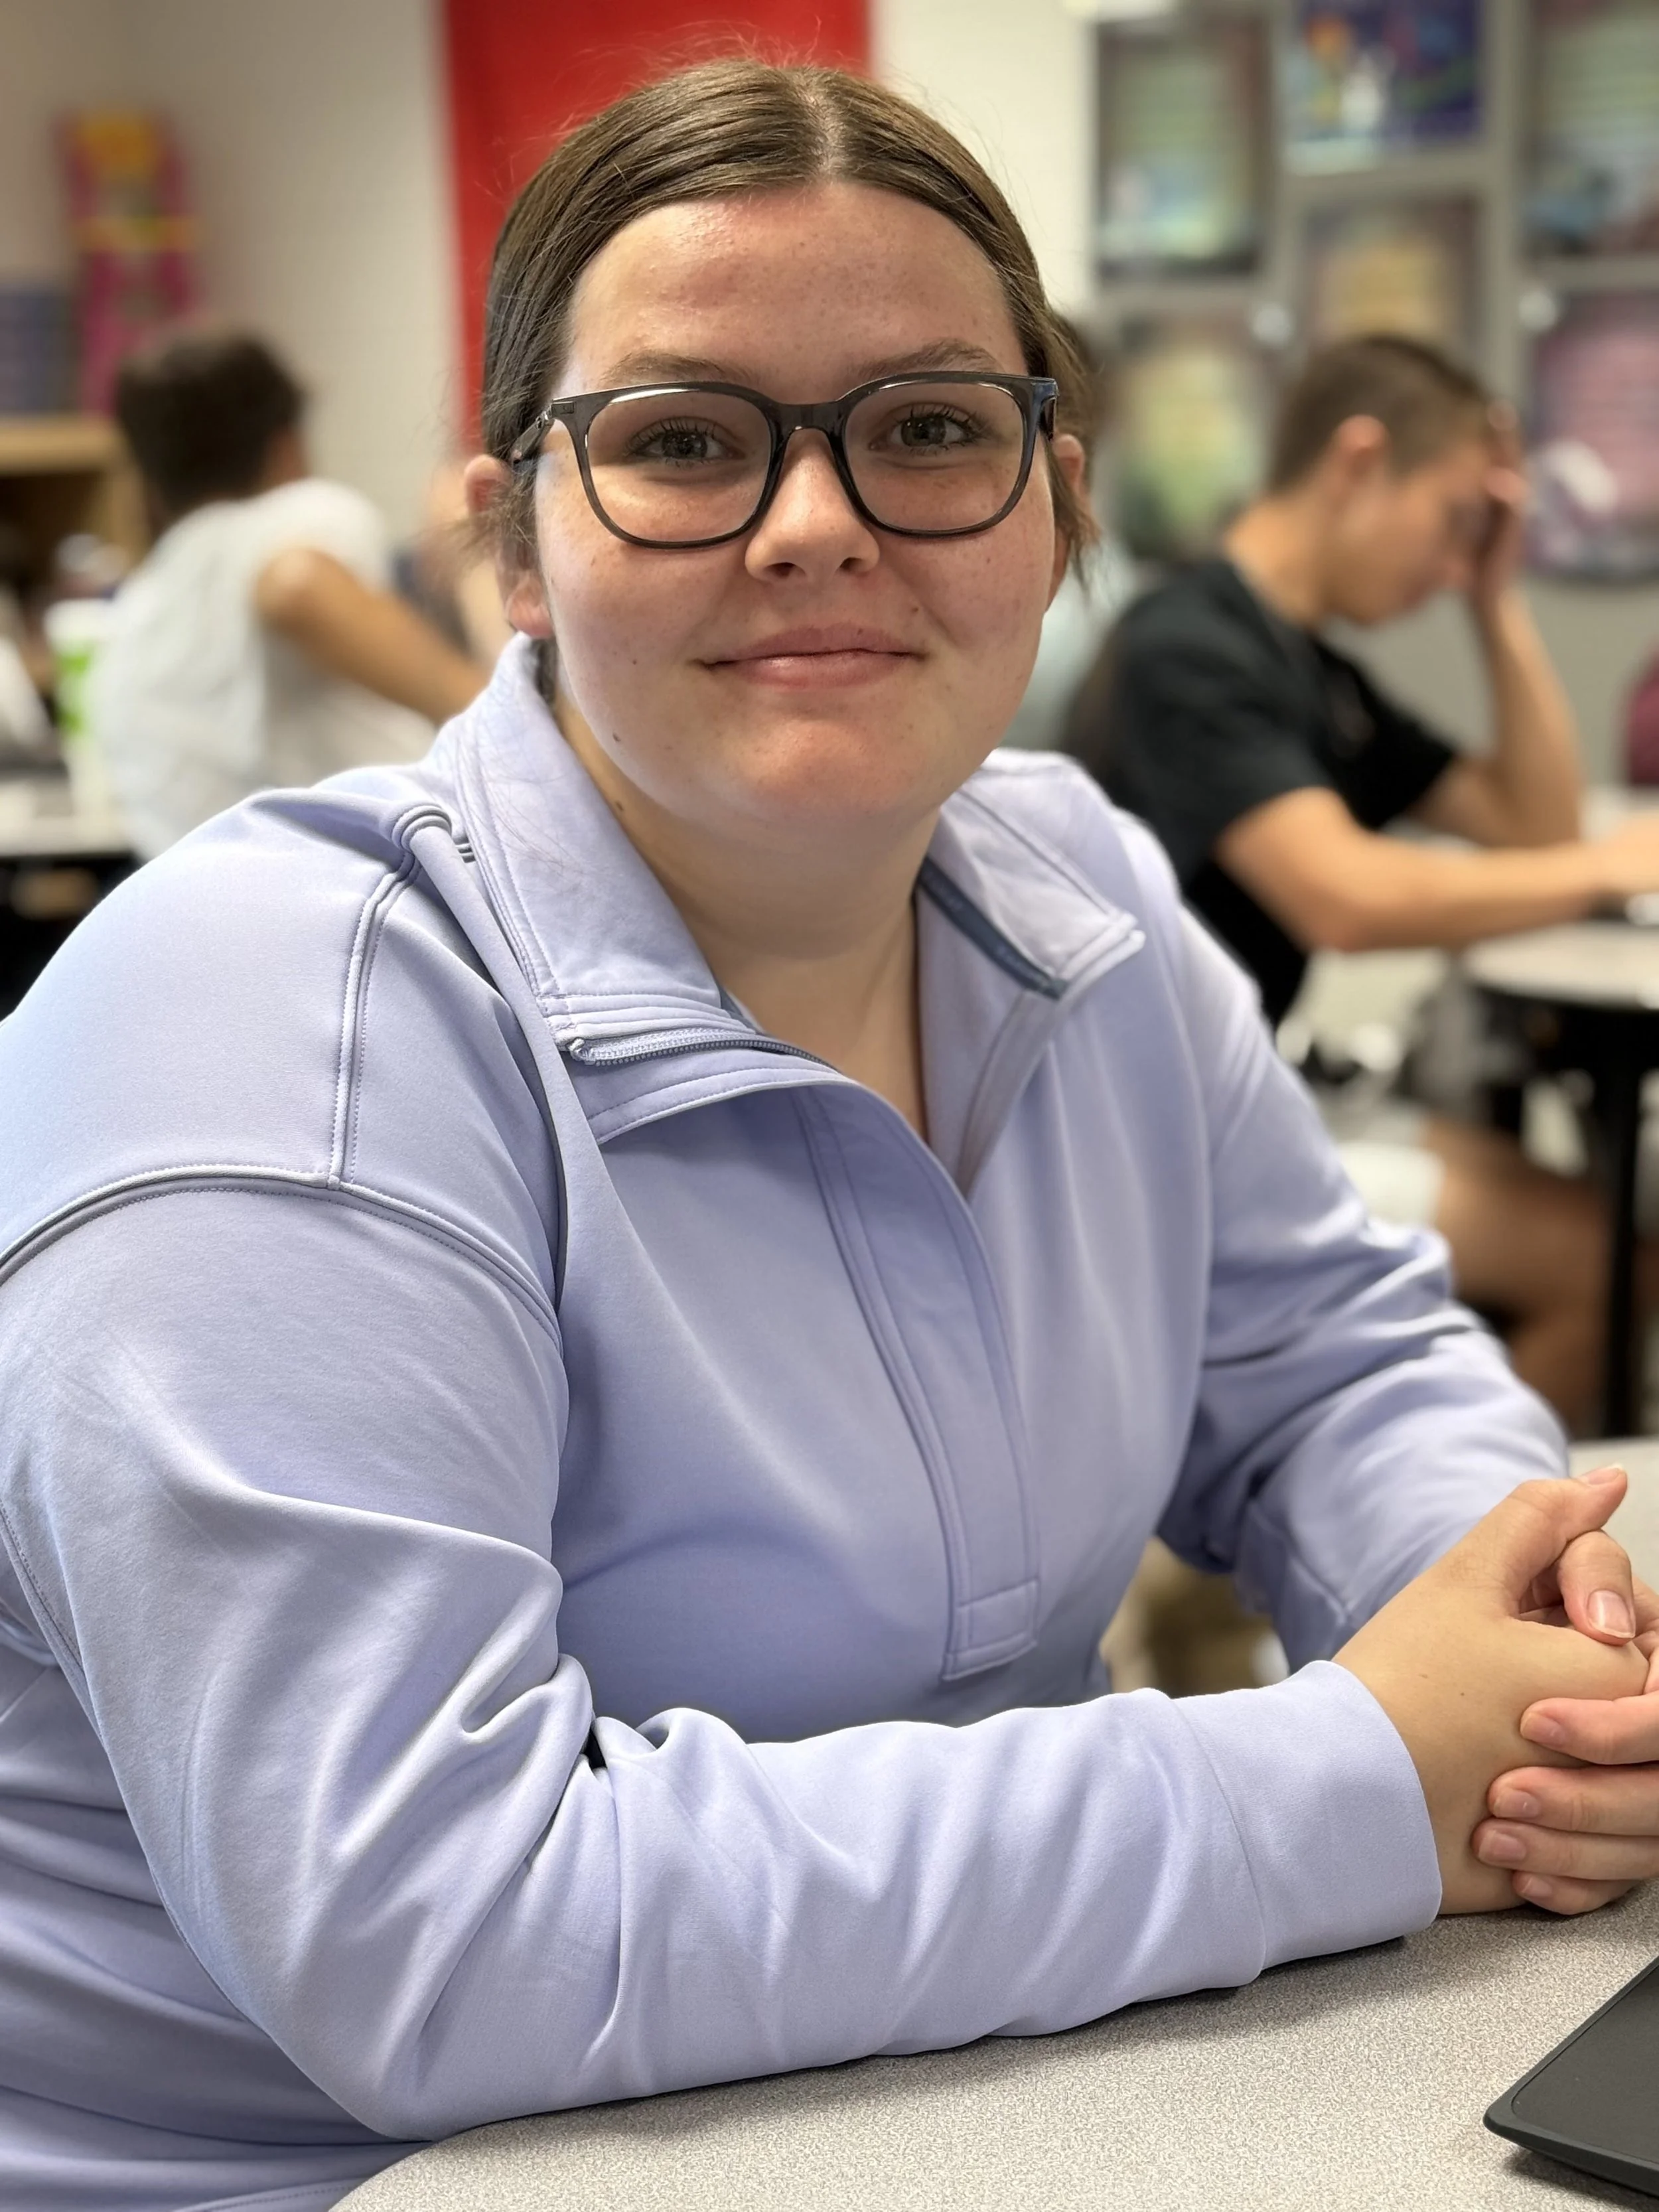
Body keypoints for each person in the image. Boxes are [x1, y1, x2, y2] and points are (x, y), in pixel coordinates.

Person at [0, 62, 1656, 2212]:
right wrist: (1346, 1778)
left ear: (1058, 501)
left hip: (929, 2087)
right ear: (510, 536)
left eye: (932, 427)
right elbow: (430, 1933)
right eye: (684, 440)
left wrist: (1541, 1674)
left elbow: (1335, 1370)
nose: (816, 519)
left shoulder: (1086, 896)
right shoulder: (271, 1024)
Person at [1068, 335, 1659, 1431]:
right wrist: (1606, 871)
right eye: (1451, 521)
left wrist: (1496, 597)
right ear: (1357, 461)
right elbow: (1347, 897)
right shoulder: (1186, 647)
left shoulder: (1314, 669)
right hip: (1159, 1147)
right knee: (1599, 1259)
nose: (1447, 566)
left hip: (1255, 1087)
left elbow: (1533, 824)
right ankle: (1464, 1563)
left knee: (1588, 1211)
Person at [89, 328, 490, 858]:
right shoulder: (293, 524)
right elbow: (294, 585)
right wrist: (477, 551)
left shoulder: (138, 612)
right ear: (286, 444)